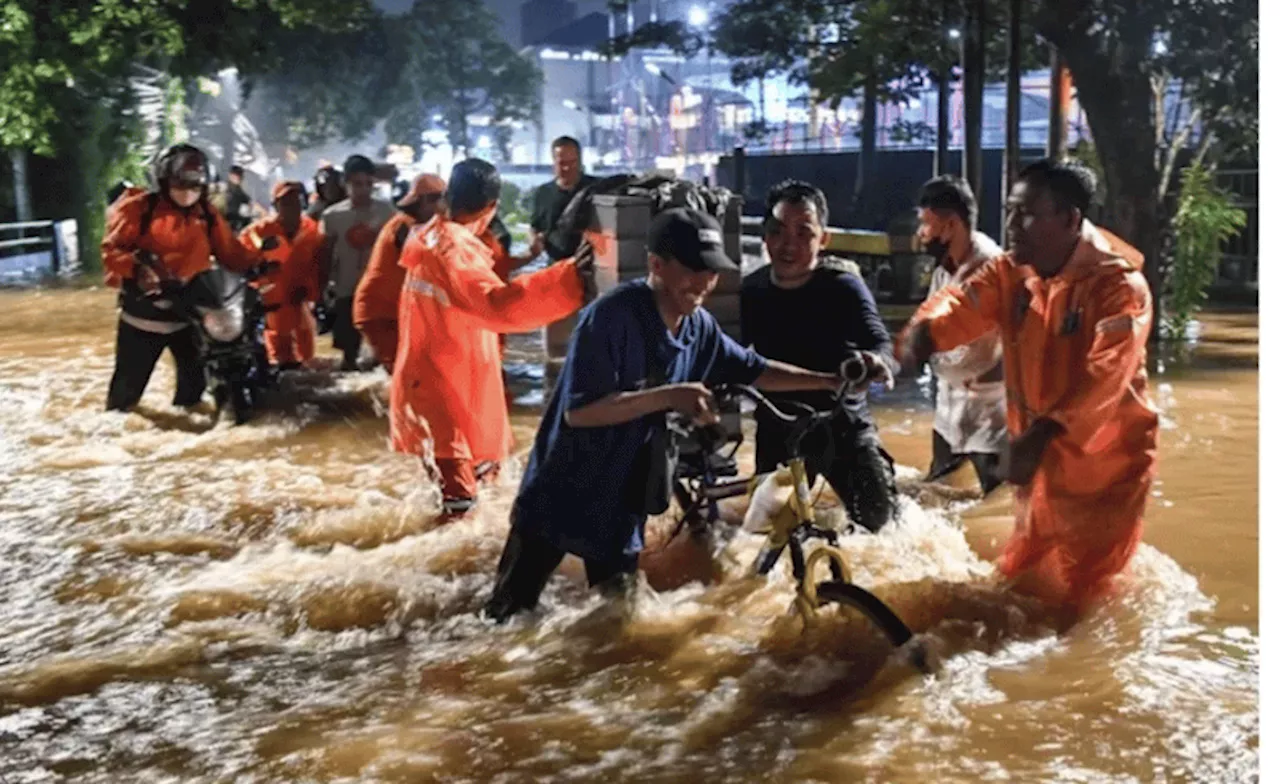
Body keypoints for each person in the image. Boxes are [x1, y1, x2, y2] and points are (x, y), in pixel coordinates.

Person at [483, 208, 888, 622]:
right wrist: (670, 396)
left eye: (711, 271)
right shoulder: (611, 317)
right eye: (693, 269)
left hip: (623, 501)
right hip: (563, 491)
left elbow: (756, 369)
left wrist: (826, 381)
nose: (703, 283)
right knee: (506, 617)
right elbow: (581, 413)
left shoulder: (700, 327)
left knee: (620, 625)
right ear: (657, 265)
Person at [898, 158, 1158, 612]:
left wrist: (1040, 434)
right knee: (1018, 574)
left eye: (1026, 214)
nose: (1012, 225)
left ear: (1070, 219)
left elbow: (1104, 375)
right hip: (1039, 461)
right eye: (1011, 211)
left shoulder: (1120, 288)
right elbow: (960, 302)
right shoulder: (1011, 272)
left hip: (1105, 473)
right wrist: (924, 332)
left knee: (1085, 603)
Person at [389, 158, 595, 520]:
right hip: (443, 392)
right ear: (490, 207)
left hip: (445, 382)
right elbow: (499, 306)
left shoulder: (430, 235)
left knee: (478, 492)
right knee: (461, 512)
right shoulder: (455, 249)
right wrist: (570, 278)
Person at [739, 180, 900, 532]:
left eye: (803, 233)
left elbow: (882, 344)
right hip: (778, 428)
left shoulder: (842, 287)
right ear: (765, 236)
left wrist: (877, 363)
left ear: (822, 240)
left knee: (882, 526)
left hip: (841, 425)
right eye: (777, 231)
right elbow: (724, 354)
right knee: (765, 539)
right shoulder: (749, 292)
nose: (788, 244)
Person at [101, 144, 262, 412]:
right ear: (164, 179)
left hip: (190, 318)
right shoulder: (138, 210)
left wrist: (258, 262)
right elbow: (110, 251)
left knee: (193, 397)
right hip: (143, 319)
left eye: (195, 182)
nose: (188, 189)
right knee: (124, 400)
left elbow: (230, 254)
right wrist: (137, 269)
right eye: (182, 181)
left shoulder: (207, 215)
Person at [915, 175, 1008, 495]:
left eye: (926, 224)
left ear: (951, 225)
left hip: (988, 402)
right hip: (950, 395)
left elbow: (1016, 340)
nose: (920, 234)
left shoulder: (989, 270)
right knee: (936, 485)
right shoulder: (946, 265)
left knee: (996, 500)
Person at [353, 173, 446, 371]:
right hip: (381, 312)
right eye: (438, 200)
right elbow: (432, 260)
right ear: (423, 201)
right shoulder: (405, 227)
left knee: (407, 370)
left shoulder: (413, 225)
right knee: (404, 372)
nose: (442, 207)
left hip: (388, 309)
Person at [318, 154, 397, 370]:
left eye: (368, 184)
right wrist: (323, 287)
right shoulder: (332, 216)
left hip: (379, 292)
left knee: (383, 353)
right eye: (357, 184)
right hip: (347, 288)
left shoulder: (388, 213)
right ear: (346, 183)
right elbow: (325, 254)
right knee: (348, 353)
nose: (363, 190)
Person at [240, 181, 324, 369]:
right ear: (276, 205)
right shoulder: (258, 231)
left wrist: (316, 293)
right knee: (278, 359)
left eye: (296, 201)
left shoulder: (313, 230)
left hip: (301, 302)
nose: (292, 206)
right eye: (286, 202)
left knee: (307, 359)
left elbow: (320, 264)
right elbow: (240, 260)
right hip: (271, 304)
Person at [528, 136, 598, 262]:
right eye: (562, 163)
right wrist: (534, 241)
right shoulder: (543, 193)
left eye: (572, 162)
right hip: (557, 266)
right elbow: (535, 227)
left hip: (591, 265)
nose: (567, 168)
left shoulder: (597, 188)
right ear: (553, 161)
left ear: (580, 161)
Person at [220, 165, 254, 232]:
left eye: (240, 175)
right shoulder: (222, 188)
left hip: (234, 225)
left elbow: (248, 208)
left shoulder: (242, 193)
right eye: (236, 175)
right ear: (230, 176)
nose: (239, 178)